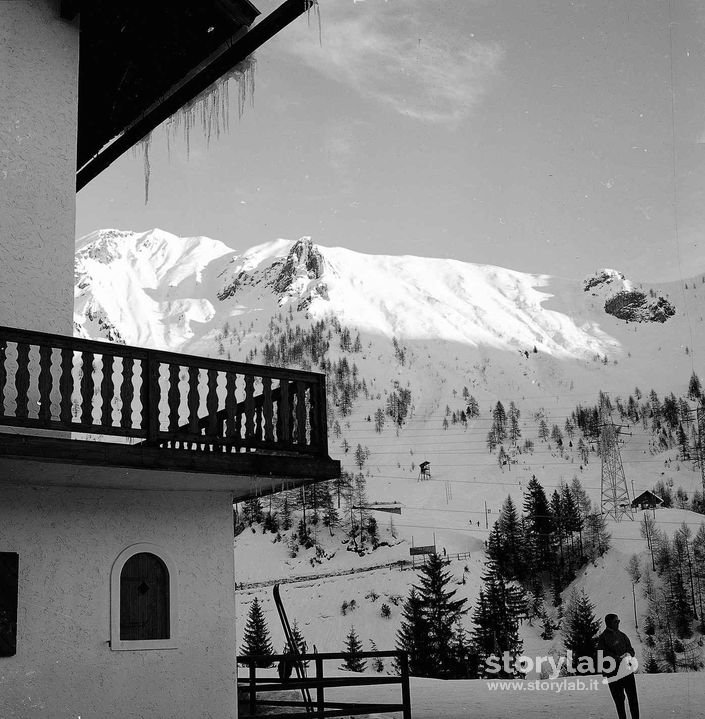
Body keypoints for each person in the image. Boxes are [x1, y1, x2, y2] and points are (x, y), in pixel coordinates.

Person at [597, 614, 639, 719]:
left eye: (618, 621)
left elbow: (631, 649)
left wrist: (628, 654)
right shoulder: (603, 638)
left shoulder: (623, 636)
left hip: (627, 671)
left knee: (633, 699)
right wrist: (616, 658)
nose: (618, 623)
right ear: (609, 623)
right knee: (619, 702)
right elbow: (601, 655)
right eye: (616, 621)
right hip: (613, 674)